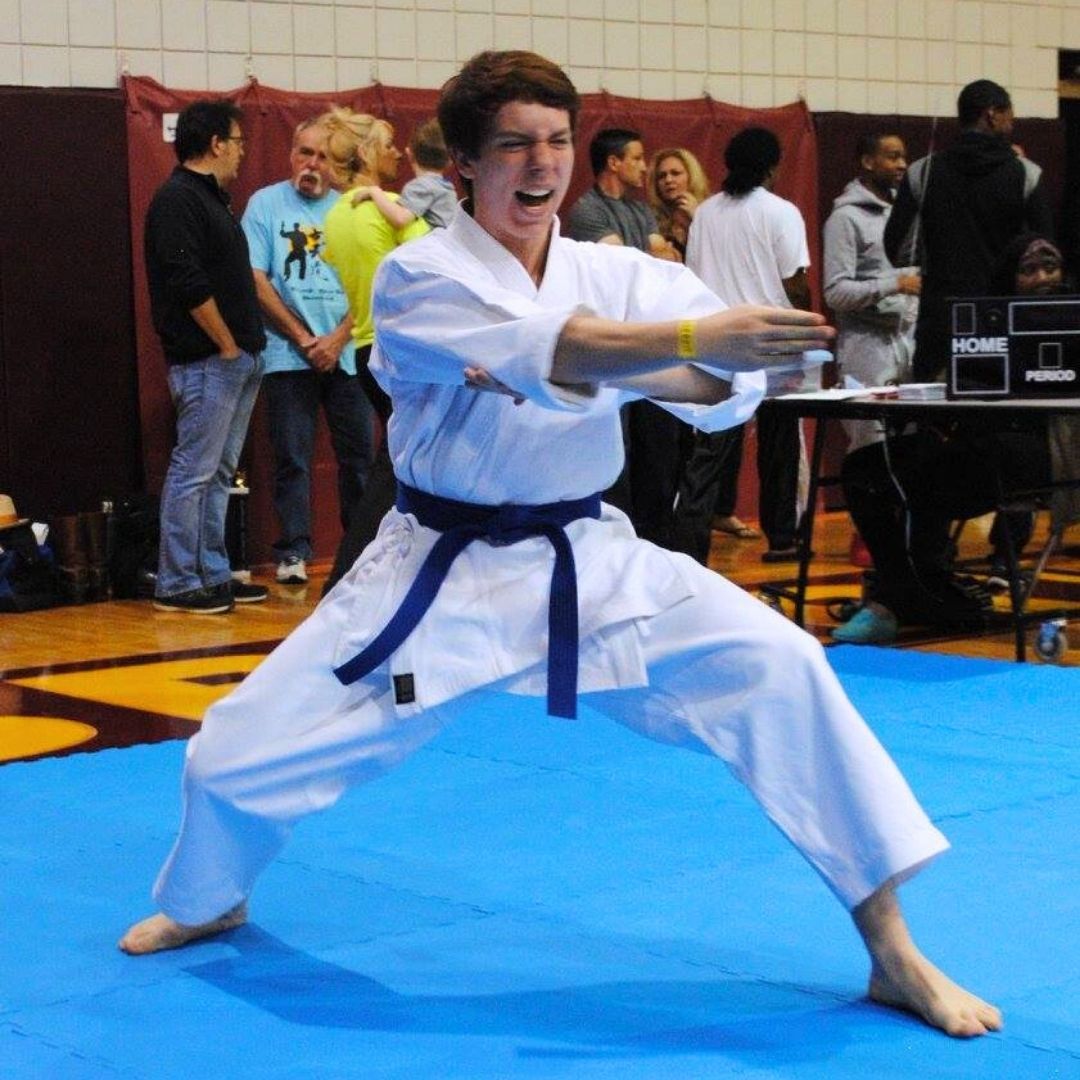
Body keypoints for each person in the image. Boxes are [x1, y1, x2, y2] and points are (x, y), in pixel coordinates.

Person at [120, 50, 1000, 1041]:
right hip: (437, 573)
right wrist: (672, 349)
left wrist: (690, 358)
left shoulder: (614, 270)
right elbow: (555, 349)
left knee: (786, 666)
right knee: (230, 757)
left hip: (591, 560)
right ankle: (209, 897)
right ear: (464, 164)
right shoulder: (421, 275)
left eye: (556, 142)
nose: (540, 166)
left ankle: (891, 950)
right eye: (513, 146)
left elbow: (711, 388)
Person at [833, 235, 1075, 644]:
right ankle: (910, 590)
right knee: (862, 469)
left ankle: (896, 600)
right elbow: (955, 385)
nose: (1042, 278)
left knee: (923, 478)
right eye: (1029, 270)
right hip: (975, 446)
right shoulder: (983, 320)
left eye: (1049, 268)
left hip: (1047, 454)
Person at [144, 99, 269, 614]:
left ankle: (212, 573)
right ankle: (177, 581)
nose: (241, 153)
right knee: (194, 470)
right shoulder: (177, 199)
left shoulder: (215, 199)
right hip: (208, 361)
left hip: (236, 358)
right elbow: (185, 280)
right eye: (238, 142)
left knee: (219, 473)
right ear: (216, 143)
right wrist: (223, 343)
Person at [241, 119, 374, 587]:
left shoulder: (352, 207)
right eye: (303, 153)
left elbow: (371, 283)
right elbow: (254, 278)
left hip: (348, 350)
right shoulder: (266, 204)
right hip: (286, 352)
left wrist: (339, 337)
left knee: (359, 458)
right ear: (290, 155)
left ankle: (362, 551)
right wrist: (301, 337)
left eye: (320, 155)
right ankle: (293, 551)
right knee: (291, 458)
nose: (311, 164)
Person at [677, 127, 813, 564]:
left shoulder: (706, 214)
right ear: (773, 166)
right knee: (780, 447)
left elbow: (694, 277)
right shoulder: (780, 211)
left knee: (712, 448)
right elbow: (795, 283)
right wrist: (808, 329)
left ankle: (691, 541)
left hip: (719, 340)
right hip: (772, 338)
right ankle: (783, 539)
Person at [318, 109, 430, 594]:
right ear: (365, 153)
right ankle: (350, 578)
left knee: (400, 463)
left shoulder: (337, 214)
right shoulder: (379, 212)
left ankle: (371, 575)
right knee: (395, 469)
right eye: (387, 143)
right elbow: (429, 260)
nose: (397, 152)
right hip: (400, 350)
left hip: (367, 349)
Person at [884, 79, 1054, 383]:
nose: (1011, 125)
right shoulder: (1025, 173)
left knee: (937, 423)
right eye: (1009, 117)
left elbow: (897, 250)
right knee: (1003, 420)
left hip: (941, 320)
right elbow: (1045, 251)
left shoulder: (923, 172)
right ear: (992, 115)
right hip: (1005, 321)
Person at [568, 129, 684, 547]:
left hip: (648, 342)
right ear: (613, 163)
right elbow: (625, 263)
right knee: (618, 449)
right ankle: (615, 542)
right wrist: (650, 258)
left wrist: (652, 257)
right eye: (636, 158)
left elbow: (665, 258)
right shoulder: (586, 211)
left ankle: (656, 541)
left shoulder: (640, 212)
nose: (644, 166)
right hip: (611, 345)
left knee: (659, 449)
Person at [350, 117, 458, 231]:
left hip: (434, 246)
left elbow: (400, 219)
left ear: (409, 153)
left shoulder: (422, 186)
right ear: (450, 161)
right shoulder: (446, 188)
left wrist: (375, 192)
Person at [647, 147, 710, 260]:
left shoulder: (711, 211)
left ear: (691, 176)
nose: (668, 180)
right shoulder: (650, 220)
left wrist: (698, 217)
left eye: (675, 173)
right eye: (662, 176)